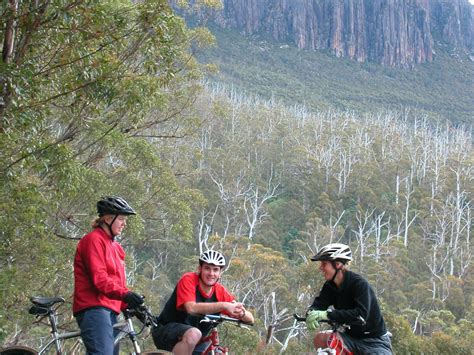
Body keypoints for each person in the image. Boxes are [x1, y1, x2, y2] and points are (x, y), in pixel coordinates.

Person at [73, 196, 145, 355]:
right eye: (121, 218)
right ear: (107, 218)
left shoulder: (117, 248)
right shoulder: (93, 240)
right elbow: (100, 280)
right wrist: (126, 295)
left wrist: (132, 306)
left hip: (110, 310)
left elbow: (118, 284)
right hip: (94, 308)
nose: (124, 223)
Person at [152, 250, 254, 355]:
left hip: (195, 342)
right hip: (165, 332)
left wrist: (242, 313)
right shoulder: (188, 280)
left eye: (215, 270)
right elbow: (191, 308)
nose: (211, 273)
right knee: (194, 334)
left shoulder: (220, 292)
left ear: (220, 273)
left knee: (215, 351)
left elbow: (250, 319)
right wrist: (224, 305)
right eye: (207, 268)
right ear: (200, 269)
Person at [306, 243, 392, 354]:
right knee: (322, 338)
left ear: (337, 264)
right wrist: (311, 313)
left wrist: (327, 314)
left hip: (375, 342)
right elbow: (318, 304)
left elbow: (360, 315)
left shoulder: (359, 284)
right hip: (350, 339)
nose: (321, 268)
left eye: (324, 263)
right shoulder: (329, 286)